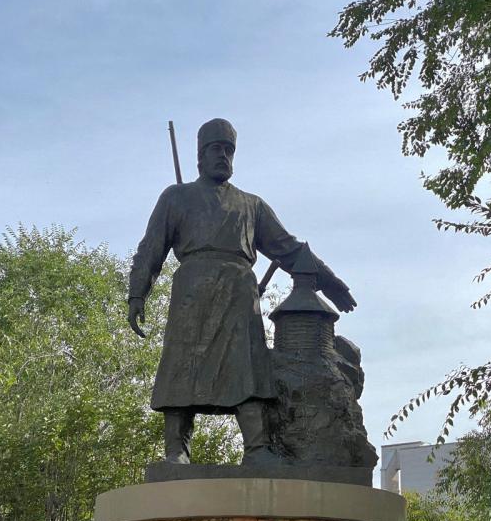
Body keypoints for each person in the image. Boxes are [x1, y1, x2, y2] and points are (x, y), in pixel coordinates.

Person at [127, 118, 356, 465]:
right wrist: (136, 294)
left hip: (238, 294)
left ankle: (257, 448)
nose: (223, 156)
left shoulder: (252, 205)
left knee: (248, 367)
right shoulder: (176, 197)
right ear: (200, 156)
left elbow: (289, 249)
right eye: (216, 149)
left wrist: (330, 281)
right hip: (192, 293)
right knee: (181, 366)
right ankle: (176, 449)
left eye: (229, 150)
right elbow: (150, 250)